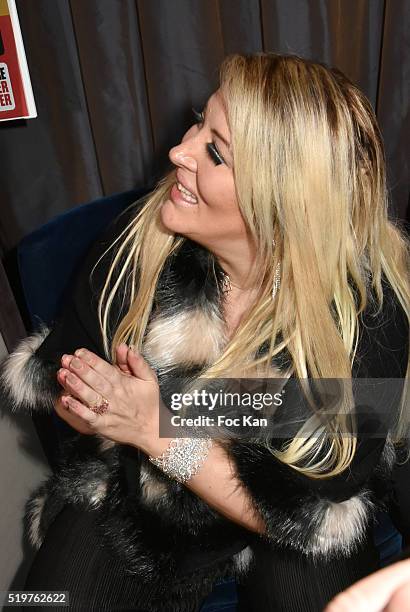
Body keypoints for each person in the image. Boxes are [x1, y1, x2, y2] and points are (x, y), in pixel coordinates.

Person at [1, 52, 409, 612]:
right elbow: (67, 394)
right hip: (144, 494)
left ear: (281, 204)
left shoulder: (370, 309)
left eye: (215, 152)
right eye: (200, 122)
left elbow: (313, 511)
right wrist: (93, 401)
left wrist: (159, 424)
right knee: (41, 603)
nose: (178, 152)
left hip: (290, 507)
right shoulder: (136, 247)